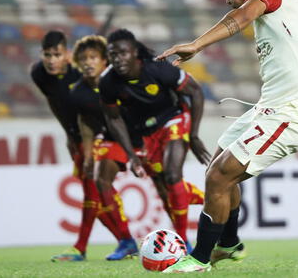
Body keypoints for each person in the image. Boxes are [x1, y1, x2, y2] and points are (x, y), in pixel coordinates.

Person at [157, 0, 298, 273]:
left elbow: (243, 16)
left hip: (289, 112)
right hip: (274, 106)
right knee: (217, 168)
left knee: (219, 177)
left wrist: (197, 45)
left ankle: (200, 258)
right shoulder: (291, 10)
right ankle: (229, 244)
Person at [99, 29, 210, 248]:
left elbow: (195, 91)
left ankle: (182, 241)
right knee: (163, 186)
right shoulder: (108, 83)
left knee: (171, 174)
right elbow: (114, 120)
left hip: (174, 118)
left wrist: (194, 136)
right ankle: (211, 200)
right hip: (146, 133)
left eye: (122, 53)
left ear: (135, 53)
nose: (117, 58)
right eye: (112, 54)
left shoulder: (158, 70)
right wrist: (131, 154)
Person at [30, 31, 124, 261]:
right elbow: (56, 102)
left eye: (57, 54)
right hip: (75, 139)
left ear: (68, 55)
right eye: (47, 54)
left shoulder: (81, 74)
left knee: (93, 191)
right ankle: (126, 241)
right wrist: (69, 134)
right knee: (101, 196)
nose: (51, 60)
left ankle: (81, 247)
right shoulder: (39, 74)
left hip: (94, 137)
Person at [69, 35, 138, 260]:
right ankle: (126, 240)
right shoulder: (78, 92)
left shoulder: (119, 80)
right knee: (100, 180)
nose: (88, 62)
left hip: (142, 136)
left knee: (169, 186)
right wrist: (88, 156)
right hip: (113, 139)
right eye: (83, 58)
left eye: (93, 57)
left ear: (104, 61)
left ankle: (211, 212)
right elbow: (86, 124)